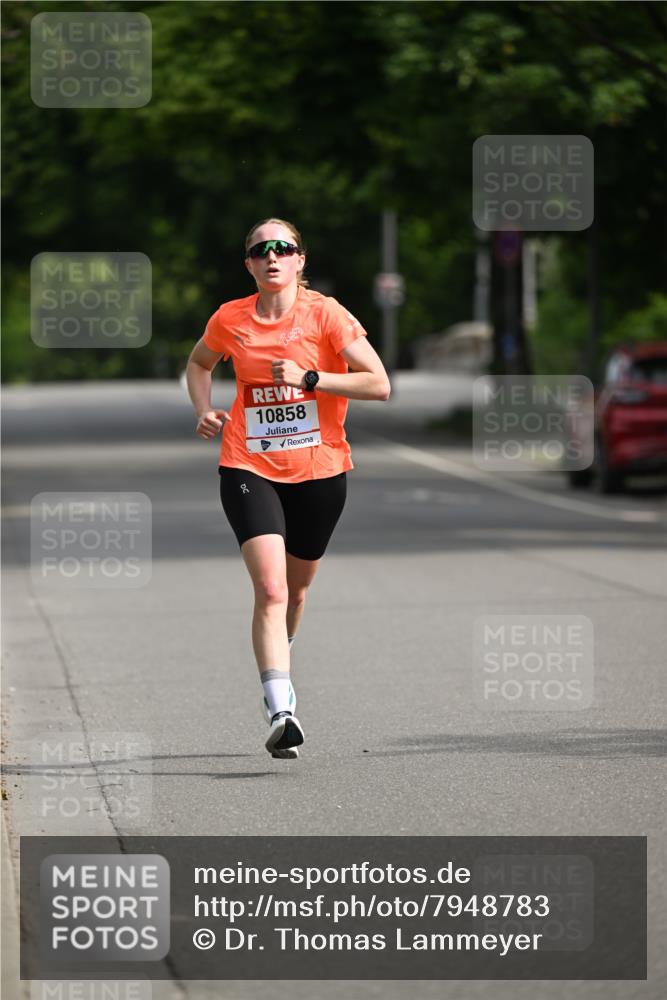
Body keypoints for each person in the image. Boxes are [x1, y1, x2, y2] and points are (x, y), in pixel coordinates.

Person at [186, 217, 390, 759]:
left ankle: (282, 650)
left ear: (301, 260)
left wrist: (312, 379)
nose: (273, 256)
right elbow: (199, 362)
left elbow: (379, 383)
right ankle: (281, 708)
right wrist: (204, 409)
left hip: (321, 471)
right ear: (249, 264)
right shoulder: (230, 319)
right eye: (261, 250)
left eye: (284, 248)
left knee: (297, 592)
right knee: (272, 589)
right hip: (248, 466)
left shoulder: (326, 314)